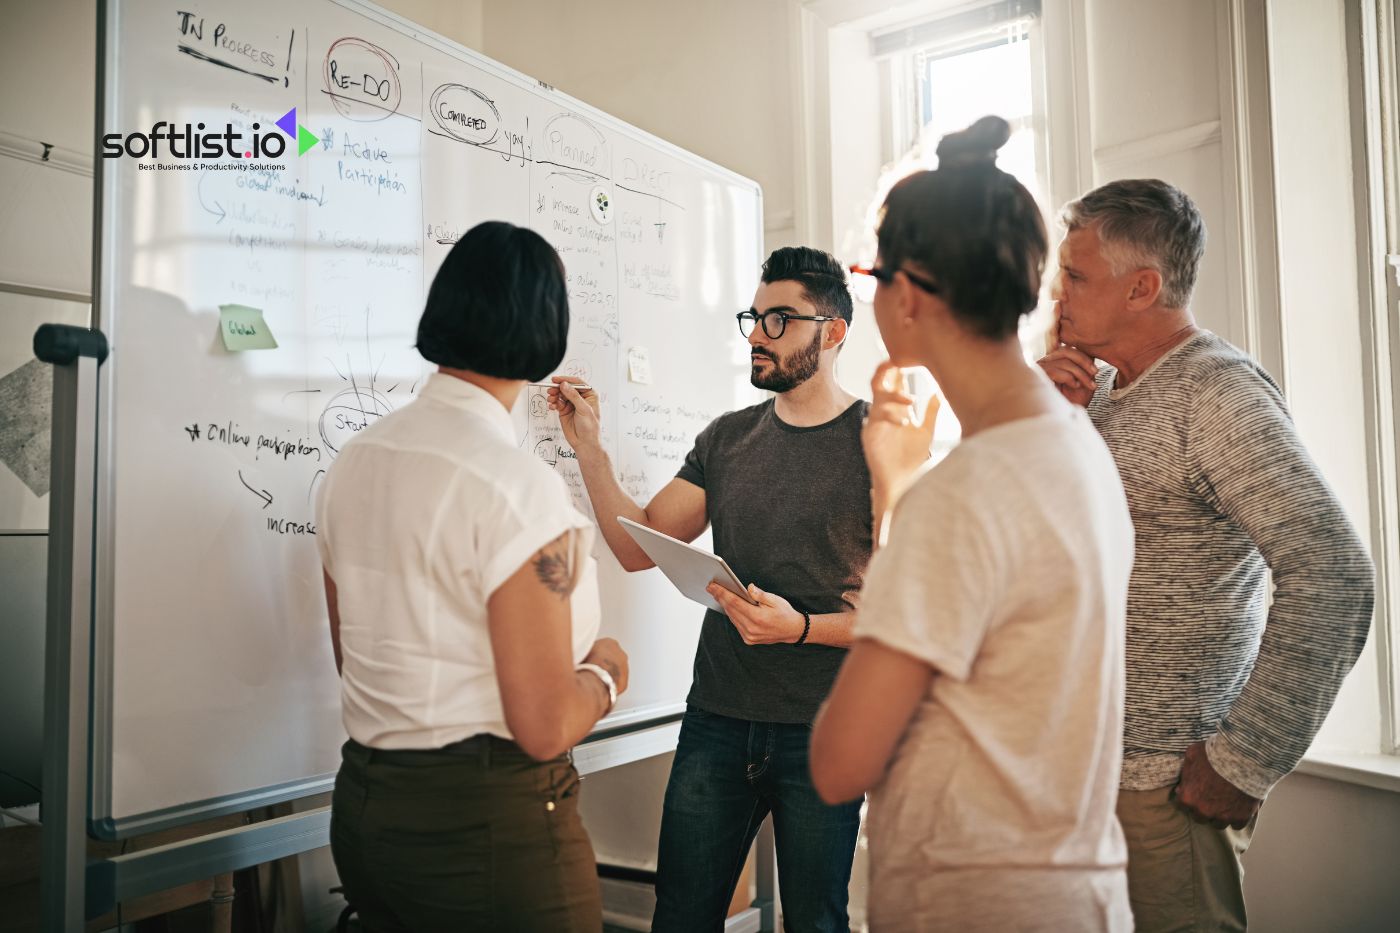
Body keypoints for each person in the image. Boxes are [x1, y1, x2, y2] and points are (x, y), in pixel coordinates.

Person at [808, 116, 1136, 932]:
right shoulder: (1077, 446)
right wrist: (896, 484)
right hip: (1077, 890)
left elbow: (839, 762)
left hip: (975, 898)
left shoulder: (965, 494)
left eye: (869, 276)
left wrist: (904, 500)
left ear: (908, 294)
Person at [1038, 178, 1375, 931]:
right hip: (1082, 771)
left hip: (1164, 790)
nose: (1056, 293)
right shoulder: (1090, 393)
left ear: (1143, 287)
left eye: (1077, 275)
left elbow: (1335, 575)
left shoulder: (1215, 392)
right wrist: (1041, 423)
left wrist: (1245, 758)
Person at [315, 220, 628, 932]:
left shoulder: (353, 463)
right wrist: (608, 672)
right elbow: (546, 724)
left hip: (365, 814)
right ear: (547, 330)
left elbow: (350, 656)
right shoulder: (520, 489)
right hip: (487, 831)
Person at [548, 246, 869, 931]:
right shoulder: (727, 440)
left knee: (816, 921)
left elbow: (907, 613)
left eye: (780, 319)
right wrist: (590, 450)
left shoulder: (879, 442)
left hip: (825, 729)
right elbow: (641, 545)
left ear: (834, 331)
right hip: (718, 720)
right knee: (682, 916)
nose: (757, 333)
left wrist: (803, 628)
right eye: (754, 316)